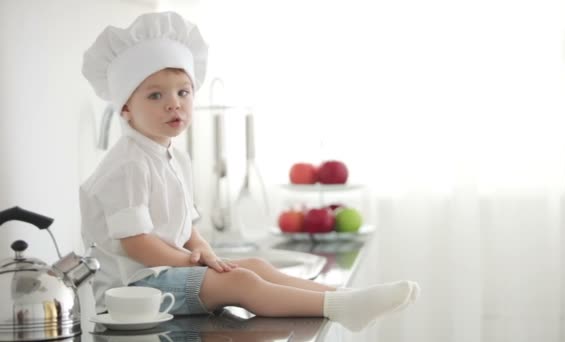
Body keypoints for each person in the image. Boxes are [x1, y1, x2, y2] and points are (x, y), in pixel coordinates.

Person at [80, 11, 419, 332]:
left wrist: (206, 253)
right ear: (125, 109)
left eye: (183, 92)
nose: (174, 103)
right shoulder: (127, 165)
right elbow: (138, 244)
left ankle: (343, 296)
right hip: (135, 290)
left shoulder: (173, 158)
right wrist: (195, 263)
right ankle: (339, 306)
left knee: (253, 266)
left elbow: (186, 229)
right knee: (241, 281)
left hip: (165, 272)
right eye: (155, 95)